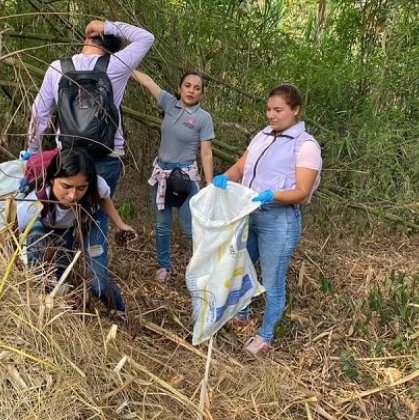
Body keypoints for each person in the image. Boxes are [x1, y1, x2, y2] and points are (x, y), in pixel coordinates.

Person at [27, 20, 154, 296]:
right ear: (108, 42)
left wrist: (33, 153)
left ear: (88, 37)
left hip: (67, 160)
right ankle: (98, 285)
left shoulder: (57, 67)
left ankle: (57, 285)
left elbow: (40, 113)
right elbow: (146, 37)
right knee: (96, 217)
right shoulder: (116, 66)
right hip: (105, 157)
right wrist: (109, 25)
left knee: (62, 217)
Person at [212, 84, 322, 356]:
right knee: (242, 265)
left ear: (295, 110)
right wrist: (225, 178)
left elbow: (302, 191)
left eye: (278, 110)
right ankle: (241, 314)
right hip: (251, 214)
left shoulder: (305, 145)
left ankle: (265, 335)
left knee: (272, 280)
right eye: (268, 109)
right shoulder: (262, 136)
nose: (271, 115)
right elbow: (240, 167)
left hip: (279, 220)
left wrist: (273, 195)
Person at [17, 148, 137, 312]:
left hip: (86, 222)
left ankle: (121, 312)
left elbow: (103, 198)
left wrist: (120, 223)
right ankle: (45, 303)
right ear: (52, 179)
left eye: (81, 188)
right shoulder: (36, 199)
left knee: (98, 286)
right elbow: (19, 232)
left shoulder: (96, 185)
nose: (73, 195)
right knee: (52, 273)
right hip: (50, 229)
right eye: (66, 186)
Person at [132, 69, 215, 282]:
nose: (191, 91)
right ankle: (164, 266)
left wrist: (210, 183)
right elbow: (149, 82)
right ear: (180, 88)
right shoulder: (169, 103)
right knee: (162, 225)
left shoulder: (203, 118)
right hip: (161, 174)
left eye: (197, 88)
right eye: (187, 85)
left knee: (191, 227)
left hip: (185, 177)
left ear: (202, 94)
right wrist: (125, 63)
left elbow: (206, 152)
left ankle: (206, 269)